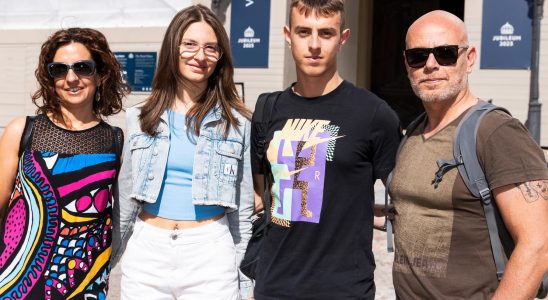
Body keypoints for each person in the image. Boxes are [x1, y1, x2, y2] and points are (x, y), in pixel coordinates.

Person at [390, 10, 548, 299]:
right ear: (407, 64)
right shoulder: (412, 133)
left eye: (446, 53)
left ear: (470, 57)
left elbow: (538, 243)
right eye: (418, 56)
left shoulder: (497, 132)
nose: (431, 65)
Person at [250, 0, 401, 299]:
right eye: (304, 32)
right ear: (287, 35)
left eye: (326, 33)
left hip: (344, 290)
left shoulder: (374, 114)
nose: (314, 45)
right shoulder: (267, 109)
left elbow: (408, 199)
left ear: (343, 38)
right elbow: (261, 196)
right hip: (273, 286)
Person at [112, 5, 254, 300]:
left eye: (211, 48)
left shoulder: (238, 124)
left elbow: (243, 211)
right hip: (147, 252)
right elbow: (125, 200)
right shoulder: (138, 117)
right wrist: (108, 262)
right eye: (189, 44)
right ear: (172, 48)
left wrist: (243, 280)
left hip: (210, 253)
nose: (200, 56)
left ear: (221, 57)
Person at [0, 27, 129, 299]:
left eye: (82, 67)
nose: (71, 78)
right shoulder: (22, 131)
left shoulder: (116, 141)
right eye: (59, 69)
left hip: (84, 285)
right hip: (16, 284)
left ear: (100, 73)